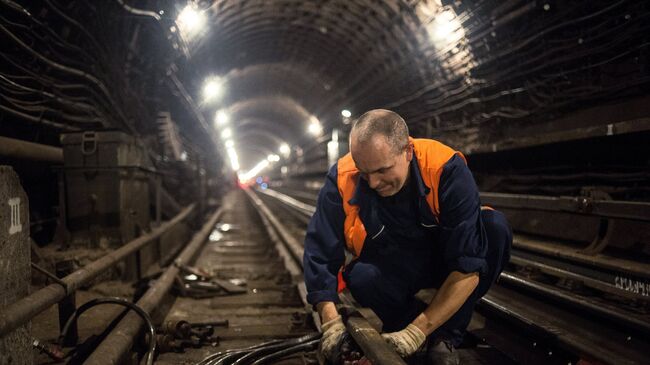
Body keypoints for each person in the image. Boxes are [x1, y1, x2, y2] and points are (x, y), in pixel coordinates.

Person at [303, 109, 512, 364]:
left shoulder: (443, 167)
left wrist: (416, 333)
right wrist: (331, 323)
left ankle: (444, 335)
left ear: (408, 151)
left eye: (382, 170)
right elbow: (320, 250)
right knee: (360, 276)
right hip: (395, 263)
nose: (372, 183)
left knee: (494, 228)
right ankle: (405, 325)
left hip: (444, 261)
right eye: (364, 172)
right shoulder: (342, 176)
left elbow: (467, 262)